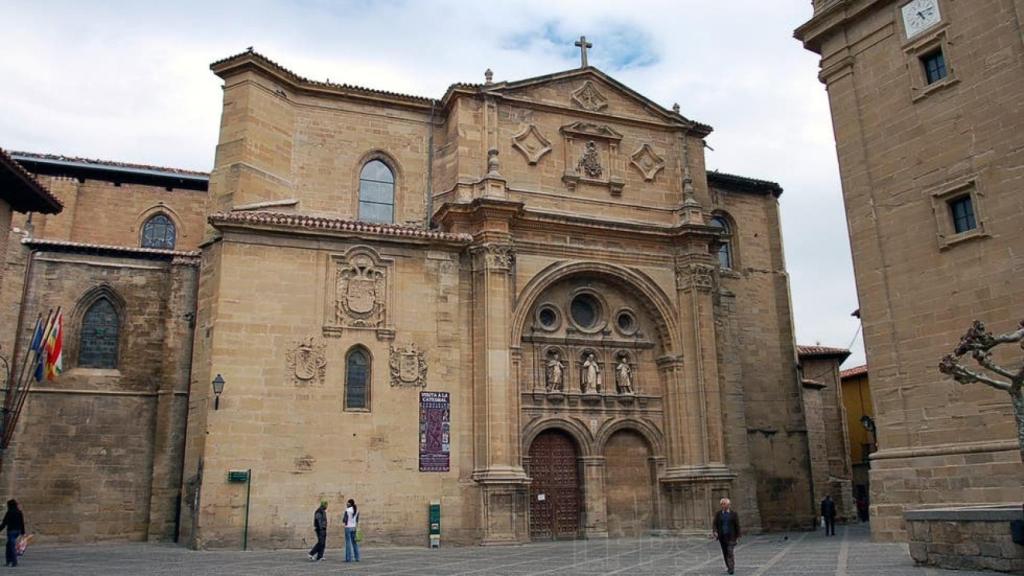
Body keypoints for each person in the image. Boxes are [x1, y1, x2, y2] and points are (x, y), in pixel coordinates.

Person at [711, 497, 740, 575]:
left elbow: (737, 526)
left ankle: (731, 568)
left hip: (731, 536)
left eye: (725, 504)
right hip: (722, 536)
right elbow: (714, 524)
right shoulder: (718, 514)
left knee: (730, 551)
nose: (724, 505)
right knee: (725, 552)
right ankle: (728, 566)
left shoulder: (734, 514)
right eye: (722, 504)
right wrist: (715, 531)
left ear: (729, 505)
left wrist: (737, 537)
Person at [0, 500, 24, 567]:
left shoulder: (9, 512)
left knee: (12, 547)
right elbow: (22, 523)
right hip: (18, 531)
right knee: (8, 546)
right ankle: (8, 561)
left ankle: (14, 562)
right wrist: (22, 532)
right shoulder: (19, 512)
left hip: (11, 531)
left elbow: (4, 523)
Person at [343, 498, 360, 563]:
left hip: (348, 527)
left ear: (349, 503)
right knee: (355, 543)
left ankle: (348, 558)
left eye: (348, 503)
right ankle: (357, 557)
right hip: (354, 527)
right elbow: (357, 520)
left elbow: (344, 519)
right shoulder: (357, 510)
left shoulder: (347, 510)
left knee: (348, 543)